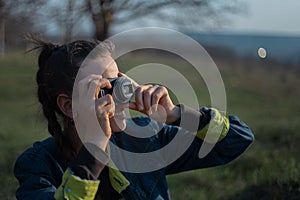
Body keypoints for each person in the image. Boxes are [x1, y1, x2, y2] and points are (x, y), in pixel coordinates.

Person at [14, 37, 254, 200]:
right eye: (105, 87)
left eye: (118, 79)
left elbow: (237, 139)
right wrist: (94, 150)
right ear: (68, 106)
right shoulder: (38, 166)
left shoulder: (145, 138)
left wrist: (176, 115)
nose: (120, 93)